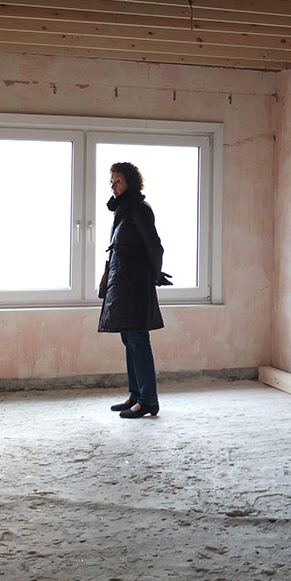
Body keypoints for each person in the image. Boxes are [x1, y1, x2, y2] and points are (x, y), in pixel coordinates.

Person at [99, 162, 170, 419]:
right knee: (128, 338)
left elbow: (154, 244)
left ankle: (149, 400)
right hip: (124, 281)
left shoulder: (138, 209)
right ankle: (136, 395)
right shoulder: (124, 208)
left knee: (138, 339)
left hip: (136, 283)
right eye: (111, 181)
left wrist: (156, 273)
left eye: (118, 181)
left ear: (130, 181)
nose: (113, 185)